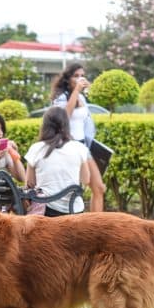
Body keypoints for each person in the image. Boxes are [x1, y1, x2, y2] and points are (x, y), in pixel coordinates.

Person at [51, 63, 106, 212]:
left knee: (98, 188)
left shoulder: (81, 96)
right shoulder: (62, 97)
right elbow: (64, 117)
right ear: (67, 79)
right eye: (76, 76)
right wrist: (76, 90)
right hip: (68, 146)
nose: (80, 79)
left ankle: (97, 229)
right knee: (74, 190)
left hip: (83, 146)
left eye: (82, 75)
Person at [25, 107, 90, 217]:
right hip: (75, 211)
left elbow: (29, 183)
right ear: (66, 125)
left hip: (47, 213)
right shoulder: (79, 148)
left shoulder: (36, 149)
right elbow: (86, 179)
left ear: (45, 125)